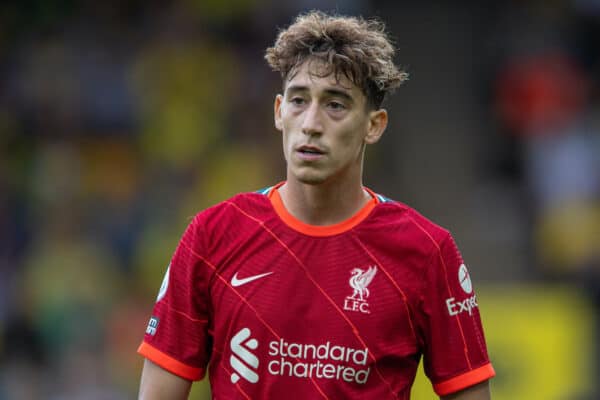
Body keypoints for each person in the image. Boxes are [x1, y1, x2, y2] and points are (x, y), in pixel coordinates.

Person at [137, 10, 495, 399]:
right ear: (279, 112)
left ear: (374, 125)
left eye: (335, 105)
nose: (311, 122)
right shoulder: (212, 235)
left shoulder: (428, 252)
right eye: (298, 100)